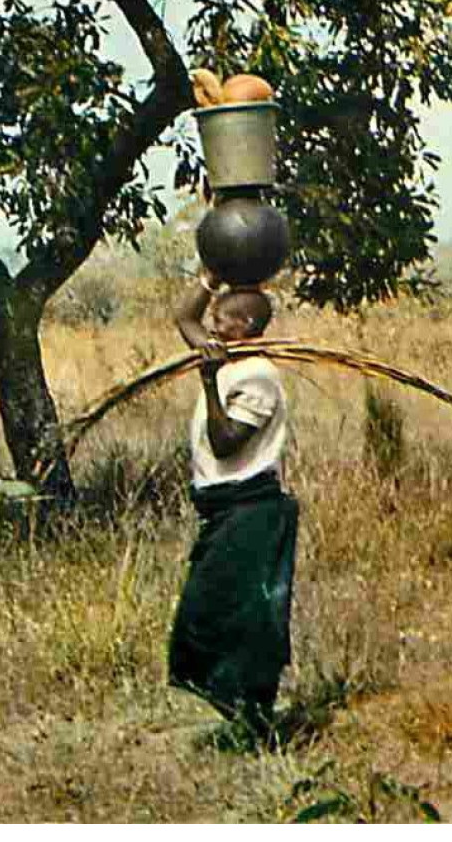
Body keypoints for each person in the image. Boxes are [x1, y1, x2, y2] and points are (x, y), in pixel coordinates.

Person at [169, 268, 299, 742]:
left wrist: (208, 381)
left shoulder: (258, 377)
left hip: (250, 510)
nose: (213, 326)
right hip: (223, 510)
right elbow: (184, 317)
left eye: (222, 319)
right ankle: (250, 722)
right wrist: (210, 279)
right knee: (211, 617)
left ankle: (257, 726)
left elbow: (225, 444)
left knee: (239, 622)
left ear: (244, 326)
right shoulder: (227, 359)